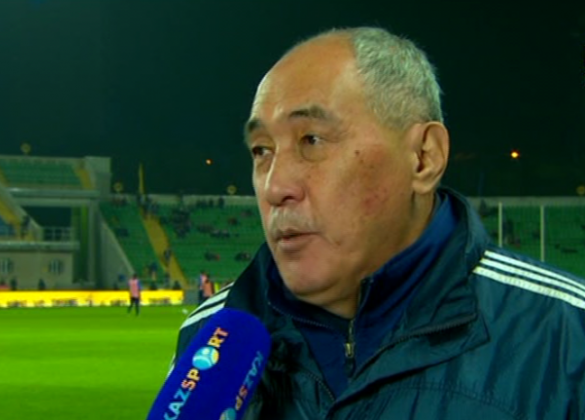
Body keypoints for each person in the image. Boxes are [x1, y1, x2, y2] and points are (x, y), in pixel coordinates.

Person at [170, 27, 585, 419]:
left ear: (423, 157)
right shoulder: (209, 337)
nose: (275, 186)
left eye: (311, 140)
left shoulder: (567, 338)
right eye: (262, 150)